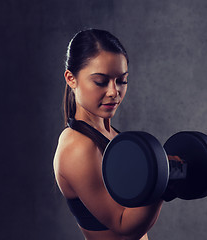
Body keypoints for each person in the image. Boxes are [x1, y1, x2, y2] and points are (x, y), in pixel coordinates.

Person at [53, 29, 163, 240]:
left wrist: (170, 177)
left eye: (122, 80)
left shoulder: (111, 135)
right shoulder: (78, 147)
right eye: (101, 81)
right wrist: (164, 182)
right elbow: (123, 224)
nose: (114, 91)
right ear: (71, 79)